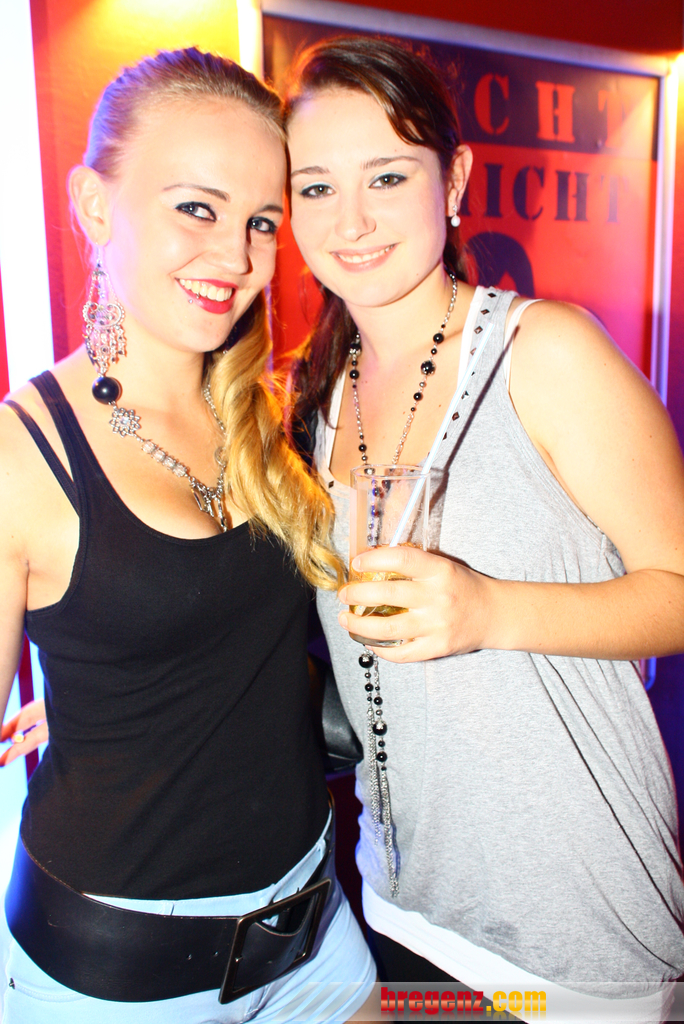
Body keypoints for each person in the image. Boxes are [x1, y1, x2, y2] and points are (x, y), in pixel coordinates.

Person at [283, 35, 684, 1022]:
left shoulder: (545, 350)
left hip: (573, 934)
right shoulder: (314, 398)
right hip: (401, 901)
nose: (352, 220)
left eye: (387, 175)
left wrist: (489, 609)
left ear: (454, 179)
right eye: (316, 187)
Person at [0, 48, 376, 1023]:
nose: (238, 258)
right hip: (119, 982)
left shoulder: (266, 412)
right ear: (95, 206)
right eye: (197, 209)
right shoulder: (20, 456)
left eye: (262, 222)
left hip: (315, 924)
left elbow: (252, 639)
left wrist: (130, 689)